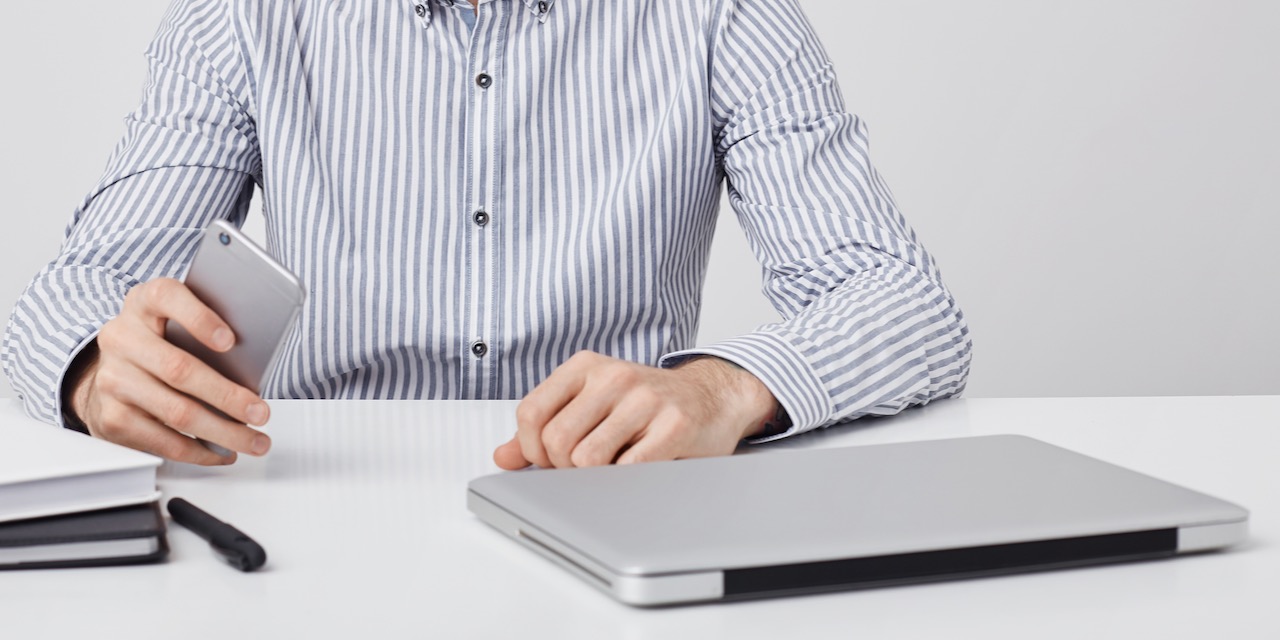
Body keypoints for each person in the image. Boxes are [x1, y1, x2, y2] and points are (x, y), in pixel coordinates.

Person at [1, 0, 971, 469]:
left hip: (615, 502)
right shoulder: (245, 17)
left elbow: (905, 304)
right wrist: (95, 369)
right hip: (311, 503)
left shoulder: (723, 16)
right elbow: (72, 286)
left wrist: (722, 388)